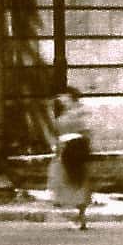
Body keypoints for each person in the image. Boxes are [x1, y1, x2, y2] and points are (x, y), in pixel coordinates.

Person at [47, 86, 93, 229]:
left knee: (74, 181)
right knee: (73, 181)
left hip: (73, 149)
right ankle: (78, 215)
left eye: (64, 97)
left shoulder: (75, 114)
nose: (62, 99)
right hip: (69, 149)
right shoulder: (72, 114)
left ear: (70, 98)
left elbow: (82, 132)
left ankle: (79, 215)